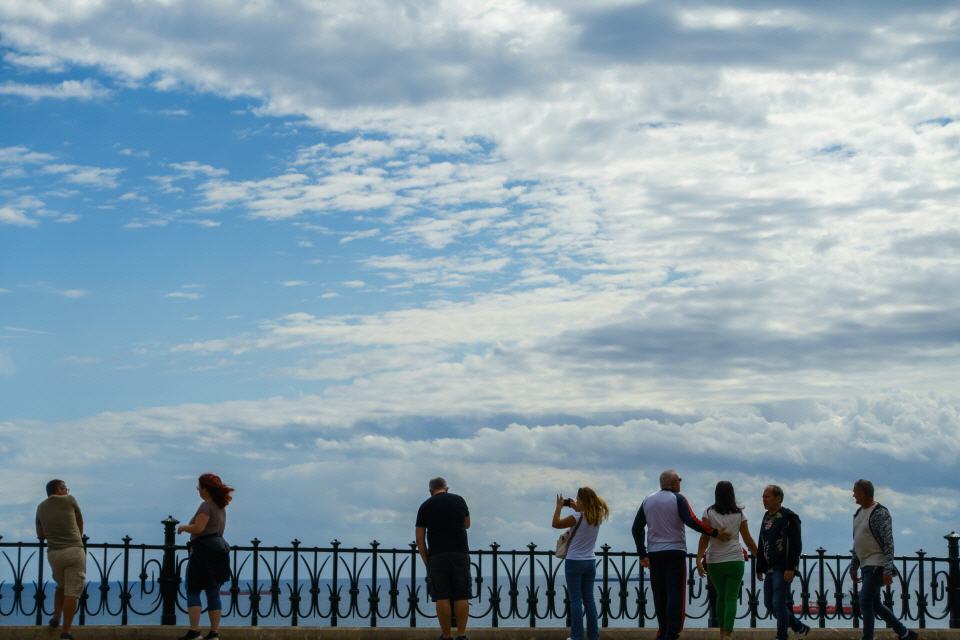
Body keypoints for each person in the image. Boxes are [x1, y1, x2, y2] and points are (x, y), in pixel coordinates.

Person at [632, 469, 730, 640]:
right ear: (673, 483)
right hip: (675, 551)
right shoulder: (678, 499)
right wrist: (714, 533)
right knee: (675, 592)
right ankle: (672, 632)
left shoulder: (647, 500)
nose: (680, 483)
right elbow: (691, 520)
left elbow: (636, 528)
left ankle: (662, 631)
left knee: (659, 594)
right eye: (679, 480)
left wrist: (642, 554)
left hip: (654, 553)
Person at [850, 479, 918, 640]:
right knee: (876, 605)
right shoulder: (858, 514)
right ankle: (905, 633)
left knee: (865, 599)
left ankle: (868, 637)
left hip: (877, 564)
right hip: (865, 565)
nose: (853, 495)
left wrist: (887, 569)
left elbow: (888, 543)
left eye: (856, 491)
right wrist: (854, 566)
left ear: (864, 493)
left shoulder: (880, 513)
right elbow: (857, 542)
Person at [695, 481, 759, 639]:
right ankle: (727, 634)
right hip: (734, 560)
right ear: (732, 494)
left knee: (720, 596)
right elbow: (748, 540)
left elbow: (704, 538)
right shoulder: (739, 515)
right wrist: (760, 557)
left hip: (714, 561)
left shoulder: (708, 513)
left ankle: (721, 631)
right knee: (731, 597)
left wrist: (698, 559)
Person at [176, 473, 234, 640]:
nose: (199, 491)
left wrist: (184, 528)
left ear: (206, 489)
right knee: (213, 593)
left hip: (202, 554)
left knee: (192, 589)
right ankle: (214, 633)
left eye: (199, 488)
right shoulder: (221, 508)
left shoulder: (206, 506)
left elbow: (199, 528)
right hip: (218, 553)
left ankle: (194, 631)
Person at [415, 477, 471, 640]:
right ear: (446, 488)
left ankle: (446, 636)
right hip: (460, 553)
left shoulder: (425, 506)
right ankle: (461, 635)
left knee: (441, 596)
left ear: (431, 491)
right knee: (462, 595)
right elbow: (467, 524)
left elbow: (419, 538)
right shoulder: (459, 500)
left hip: (437, 556)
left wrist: (427, 561)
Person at [552, 487, 610, 640]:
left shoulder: (576, 517)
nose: (576, 501)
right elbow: (585, 513)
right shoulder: (597, 516)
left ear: (583, 501)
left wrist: (559, 507)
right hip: (590, 562)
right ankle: (593, 636)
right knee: (589, 600)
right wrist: (577, 507)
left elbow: (555, 523)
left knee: (576, 601)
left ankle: (577, 637)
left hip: (574, 562)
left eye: (578, 499)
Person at [756, 485, 810, 640]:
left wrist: (791, 567)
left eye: (767, 496)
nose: (763, 500)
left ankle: (782, 636)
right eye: (763, 497)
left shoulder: (789, 517)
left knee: (779, 604)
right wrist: (760, 566)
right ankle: (799, 626)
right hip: (770, 568)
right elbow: (762, 541)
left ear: (778, 498)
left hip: (783, 568)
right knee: (769, 603)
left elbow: (795, 545)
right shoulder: (766, 517)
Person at [36, 479, 86, 640]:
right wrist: (78, 535)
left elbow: (40, 533)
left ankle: (56, 618)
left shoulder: (41, 507)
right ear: (58, 489)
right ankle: (66, 631)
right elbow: (80, 519)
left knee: (61, 586)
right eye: (65, 488)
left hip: (54, 554)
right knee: (72, 592)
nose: (67, 491)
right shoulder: (69, 500)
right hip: (73, 550)